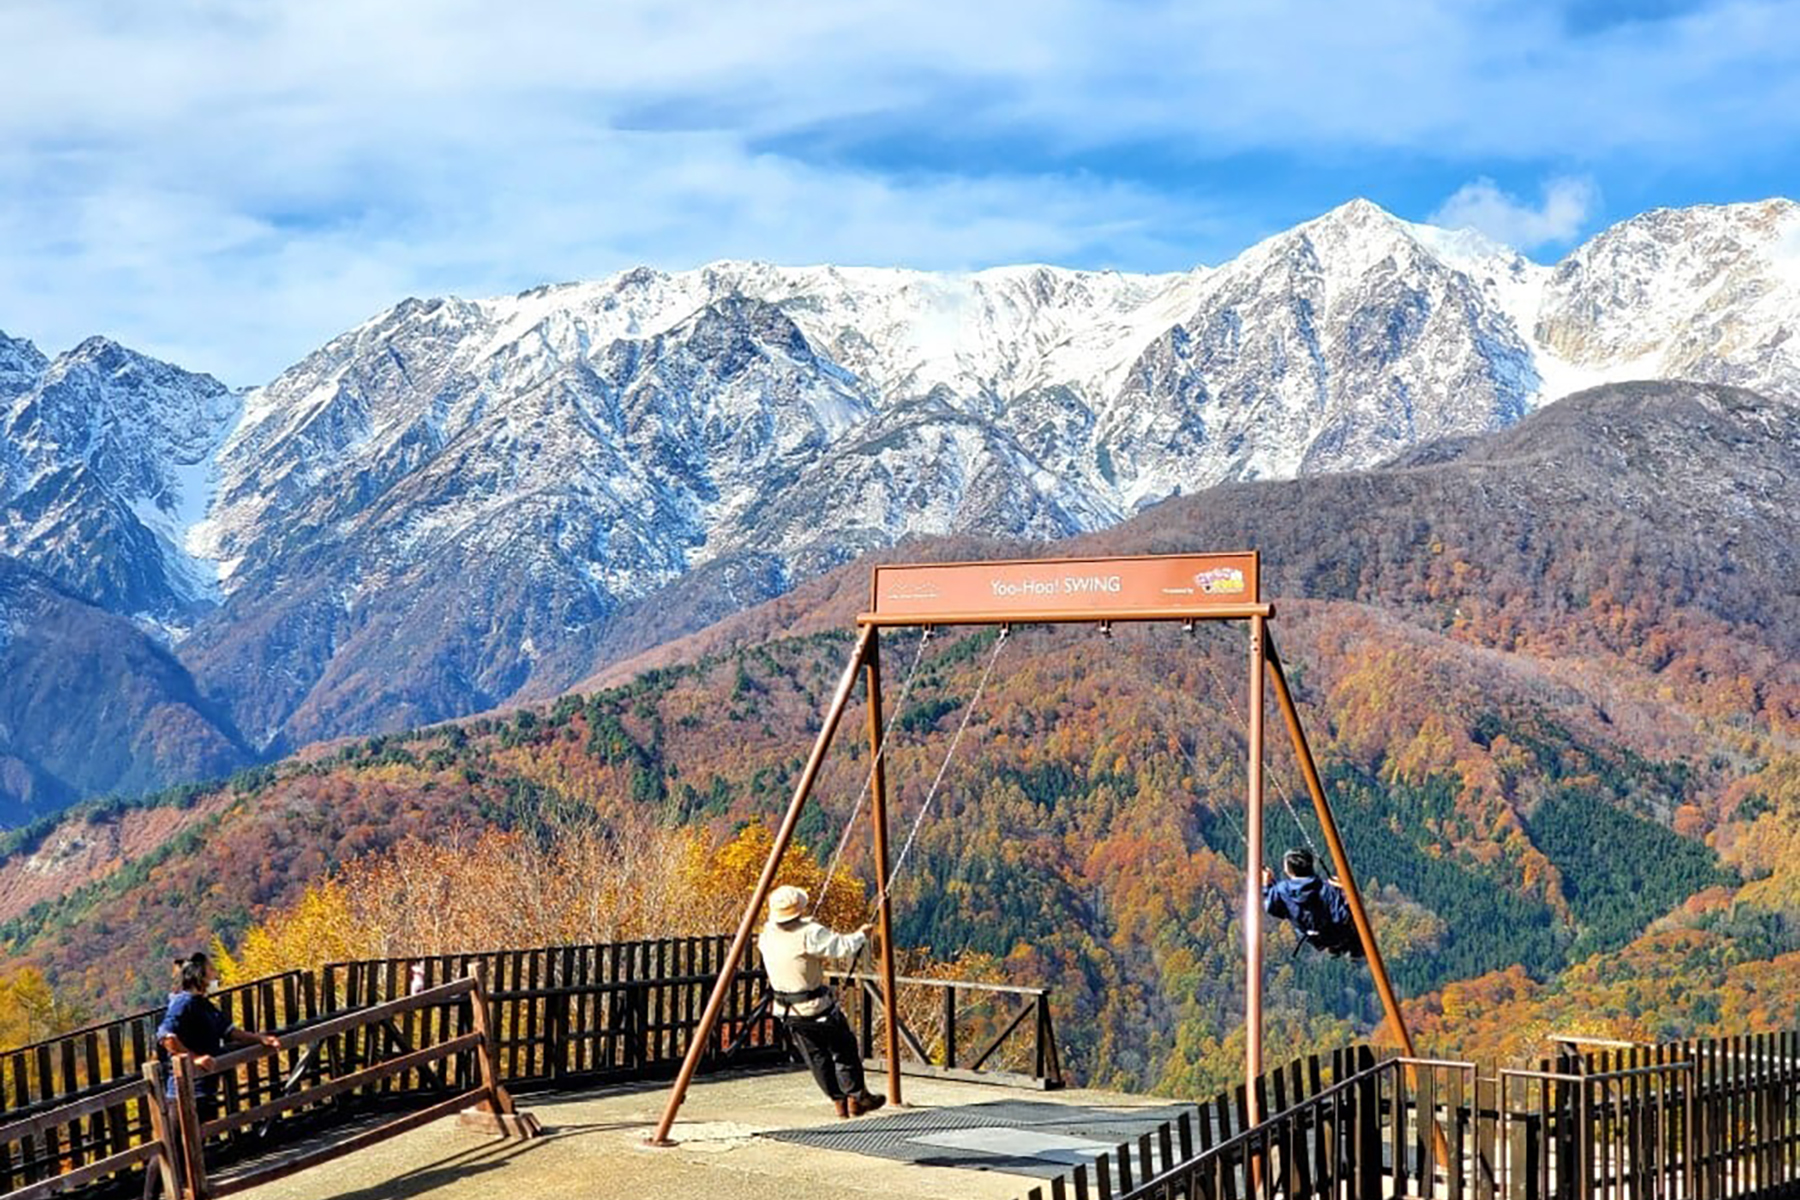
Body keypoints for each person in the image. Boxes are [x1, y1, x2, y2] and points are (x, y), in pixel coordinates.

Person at [758, 885, 886, 1119]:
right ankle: (857, 1097)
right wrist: (862, 935)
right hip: (817, 1007)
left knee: (817, 1058)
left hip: (786, 1010)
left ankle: (839, 1104)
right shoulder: (810, 932)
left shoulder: (767, 934)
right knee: (844, 1049)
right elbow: (842, 947)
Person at [157, 956, 282, 1110]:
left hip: (206, 1087)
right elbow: (166, 1036)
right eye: (211, 970)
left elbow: (229, 1031)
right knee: (186, 1134)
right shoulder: (183, 1003)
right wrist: (195, 1059)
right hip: (184, 1093)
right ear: (199, 975)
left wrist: (260, 1039)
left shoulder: (203, 1004)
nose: (215, 975)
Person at [1261, 849, 1364, 958]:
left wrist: (1267, 884)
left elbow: (1272, 907)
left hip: (1311, 935)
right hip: (1335, 934)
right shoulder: (1326, 889)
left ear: (1288, 871)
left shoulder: (1281, 890)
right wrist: (1346, 890)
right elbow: (1341, 916)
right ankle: (1352, 947)